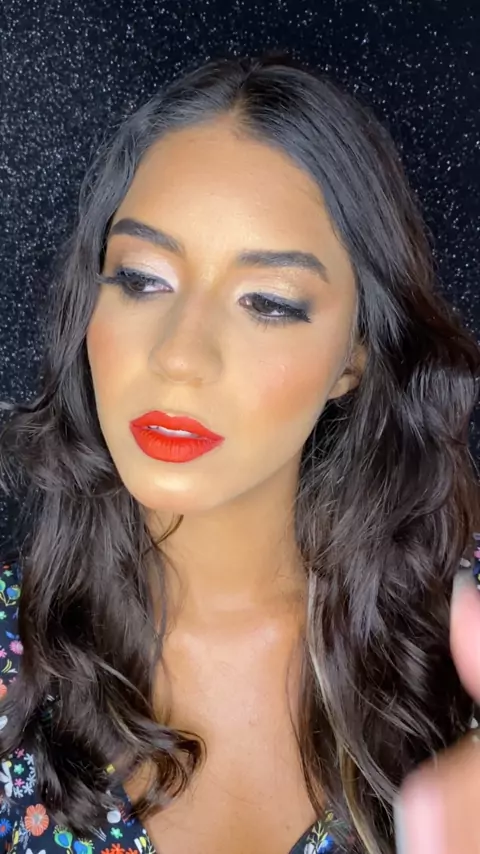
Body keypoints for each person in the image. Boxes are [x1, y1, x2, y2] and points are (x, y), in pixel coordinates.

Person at [0, 49, 479, 854]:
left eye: (269, 303)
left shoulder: (462, 637)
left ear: (354, 356)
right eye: (142, 279)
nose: (180, 355)